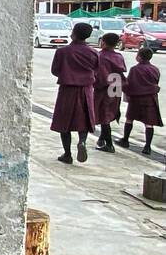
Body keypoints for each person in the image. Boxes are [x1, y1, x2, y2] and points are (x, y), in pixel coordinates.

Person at [50, 22, 99, 164]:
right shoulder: (93, 52)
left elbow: (55, 70)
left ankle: (67, 154)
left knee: (64, 121)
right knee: (84, 119)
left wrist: (67, 73)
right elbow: (96, 70)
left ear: (73, 34)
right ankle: (82, 141)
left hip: (67, 89)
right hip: (86, 89)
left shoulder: (62, 51)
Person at [118, 48, 161, 155]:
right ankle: (147, 146)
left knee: (129, 119)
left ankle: (125, 140)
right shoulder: (155, 69)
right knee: (149, 123)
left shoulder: (135, 69)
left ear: (139, 57)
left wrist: (126, 92)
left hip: (136, 98)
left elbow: (129, 83)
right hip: (150, 98)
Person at [94, 32, 128, 153]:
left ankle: (109, 144)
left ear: (103, 42)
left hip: (105, 87)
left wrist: (95, 85)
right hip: (117, 85)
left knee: (103, 114)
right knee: (111, 110)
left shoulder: (100, 56)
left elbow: (101, 75)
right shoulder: (119, 56)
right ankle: (101, 139)